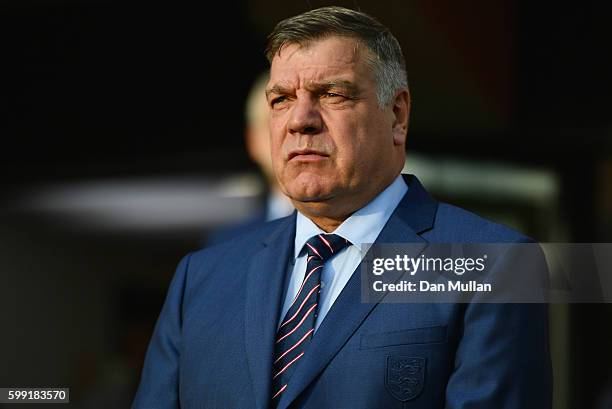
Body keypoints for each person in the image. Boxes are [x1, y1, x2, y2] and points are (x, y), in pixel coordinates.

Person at [132, 6, 551, 409]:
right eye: (280, 100)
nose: (300, 120)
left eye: (331, 94)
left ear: (398, 116)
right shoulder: (200, 279)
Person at [206, 72, 293, 244]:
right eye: (273, 122)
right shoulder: (225, 246)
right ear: (252, 141)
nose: (294, 132)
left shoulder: (362, 239)